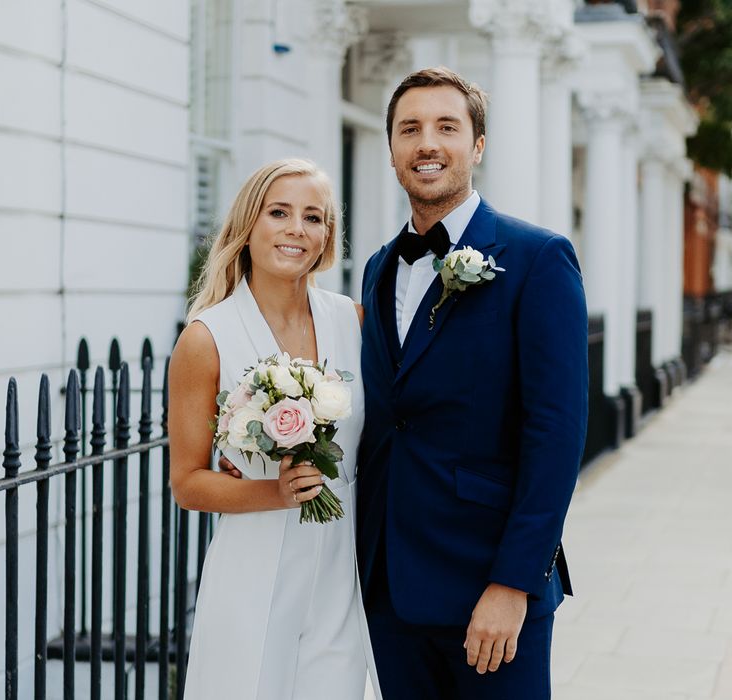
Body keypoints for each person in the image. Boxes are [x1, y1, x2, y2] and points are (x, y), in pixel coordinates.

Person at [356, 67, 588, 698]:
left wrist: (513, 583)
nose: (426, 143)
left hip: (489, 589)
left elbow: (557, 433)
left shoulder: (537, 258)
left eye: (446, 127)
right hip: (390, 589)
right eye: (410, 129)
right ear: (394, 151)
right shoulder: (378, 269)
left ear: (477, 145)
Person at [169, 158, 379, 700]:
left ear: (327, 235)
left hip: (342, 570)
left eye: (314, 217)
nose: (296, 230)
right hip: (253, 570)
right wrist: (275, 490)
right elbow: (188, 482)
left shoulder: (352, 320)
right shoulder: (205, 337)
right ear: (248, 225)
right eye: (279, 212)